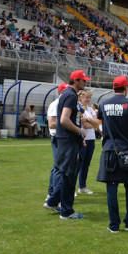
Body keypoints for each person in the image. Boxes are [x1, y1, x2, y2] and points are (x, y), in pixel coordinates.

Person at [96, 75, 128, 232]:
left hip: (109, 150)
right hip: (127, 151)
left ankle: (114, 225)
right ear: (126, 88)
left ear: (113, 88)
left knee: (111, 188)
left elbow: (101, 128)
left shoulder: (103, 105)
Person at [44, 69, 91, 220]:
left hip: (68, 140)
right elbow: (64, 120)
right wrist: (80, 132)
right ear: (76, 81)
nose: (85, 82)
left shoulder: (68, 95)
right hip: (68, 140)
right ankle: (67, 211)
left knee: (66, 173)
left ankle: (52, 201)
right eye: (83, 80)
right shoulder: (70, 95)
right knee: (68, 175)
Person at [45, 83, 68, 205]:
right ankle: (52, 192)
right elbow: (52, 124)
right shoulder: (55, 105)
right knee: (59, 166)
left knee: (58, 166)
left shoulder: (63, 104)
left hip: (62, 137)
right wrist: (68, 123)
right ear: (61, 92)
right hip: (57, 137)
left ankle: (52, 192)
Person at [77, 90, 100, 195]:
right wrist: (92, 122)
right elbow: (86, 126)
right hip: (82, 139)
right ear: (81, 97)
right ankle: (72, 188)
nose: (88, 99)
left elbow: (97, 123)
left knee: (86, 164)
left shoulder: (90, 109)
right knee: (78, 164)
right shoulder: (79, 109)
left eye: (89, 97)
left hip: (91, 139)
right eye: (86, 97)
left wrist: (88, 120)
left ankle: (82, 186)